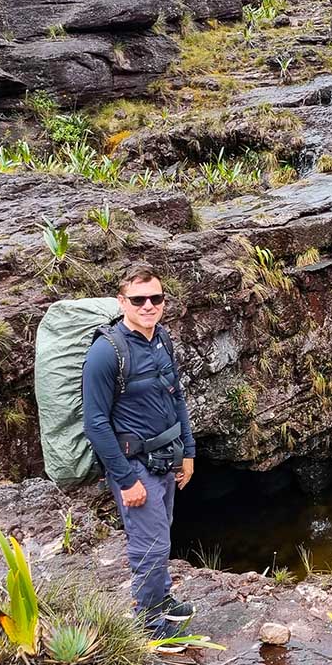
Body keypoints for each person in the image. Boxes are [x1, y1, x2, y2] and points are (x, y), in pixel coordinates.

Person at [82, 264, 197, 638]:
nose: (148, 306)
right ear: (122, 302)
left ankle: (161, 598)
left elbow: (176, 397)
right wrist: (126, 479)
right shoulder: (106, 352)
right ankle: (149, 625)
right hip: (135, 464)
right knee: (150, 546)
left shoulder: (162, 339)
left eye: (156, 298)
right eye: (138, 299)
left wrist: (188, 453)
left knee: (162, 534)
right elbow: (95, 423)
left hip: (167, 458)